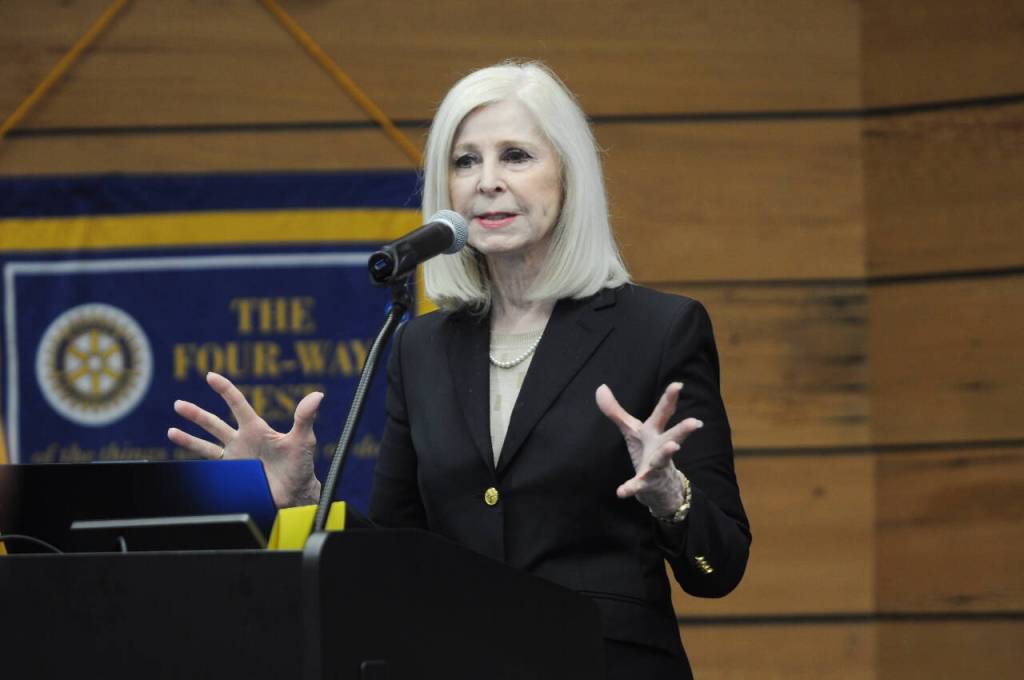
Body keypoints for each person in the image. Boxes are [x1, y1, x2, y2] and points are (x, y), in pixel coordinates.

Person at [169, 61, 750, 679]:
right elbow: (396, 558)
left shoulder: (658, 330)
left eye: (516, 156)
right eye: (465, 161)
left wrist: (670, 496)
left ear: (569, 176)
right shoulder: (421, 347)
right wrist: (302, 500)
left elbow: (720, 568)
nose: (487, 182)